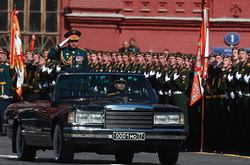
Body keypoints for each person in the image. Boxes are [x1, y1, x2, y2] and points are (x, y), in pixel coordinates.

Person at [0, 48, 12, 136]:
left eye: (2, 54)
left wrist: (7, 93)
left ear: (5, 56)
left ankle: (3, 129)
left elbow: (9, 80)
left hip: (3, 92)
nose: (0, 56)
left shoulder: (7, 66)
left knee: (2, 112)